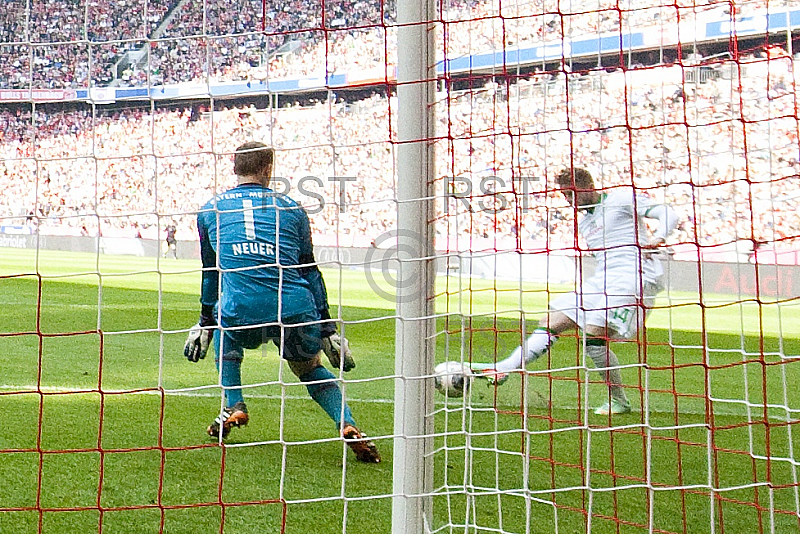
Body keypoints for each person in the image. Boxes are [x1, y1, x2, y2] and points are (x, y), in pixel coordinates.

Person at [183, 141, 378, 463]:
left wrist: (205, 321)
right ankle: (347, 423)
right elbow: (310, 270)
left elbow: (210, 272)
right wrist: (327, 326)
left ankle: (234, 403)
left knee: (222, 325)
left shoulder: (209, 209)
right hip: (295, 307)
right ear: (268, 169)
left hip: (243, 309)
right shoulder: (293, 208)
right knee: (309, 368)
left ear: (235, 169)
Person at [471, 167, 679, 415]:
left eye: (573, 194)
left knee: (594, 335)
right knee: (552, 320)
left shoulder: (620, 199)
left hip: (634, 276)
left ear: (588, 187)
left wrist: (658, 238)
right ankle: (504, 367)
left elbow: (667, 213)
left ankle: (619, 401)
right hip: (603, 279)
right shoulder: (586, 223)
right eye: (565, 196)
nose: (570, 201)